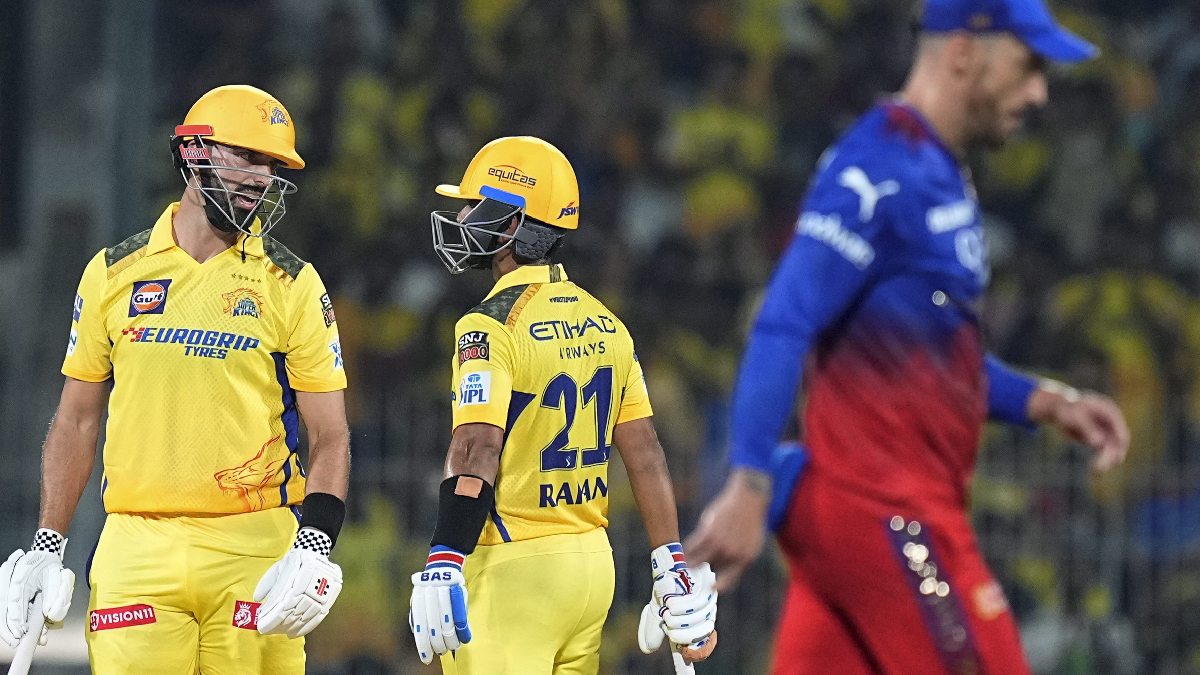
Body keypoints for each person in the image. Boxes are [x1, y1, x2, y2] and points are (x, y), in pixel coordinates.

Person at [684, 0, 1131, 672]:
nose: (1039, 92)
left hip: (863, 516)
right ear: (963, 55)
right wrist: (747, 482)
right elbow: (785, 317)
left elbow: (934, 357)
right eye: (1028, 66)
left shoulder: (938, 172)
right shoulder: (878, 168)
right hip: (886, 513)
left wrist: (1047, 401)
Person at [0, 84, 350, 673]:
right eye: (248, 156)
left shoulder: (293, 284)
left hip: (254, 550)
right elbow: (76, 419)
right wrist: (46, 546)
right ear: (194, 153)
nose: (262, 178)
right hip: (137, 549)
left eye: (271, 166)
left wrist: (315, 544)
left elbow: (331, 434)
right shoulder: (113, 274)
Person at [406, 136, 717, 674]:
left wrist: (445, 555)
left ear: (509, 223)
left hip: (514, 567)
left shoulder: (488, 324)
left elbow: (477, 447)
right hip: (591, 566)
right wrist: (671, 563)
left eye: (474, 206)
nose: (461, 218)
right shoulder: (608, 322)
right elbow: (645, 452)